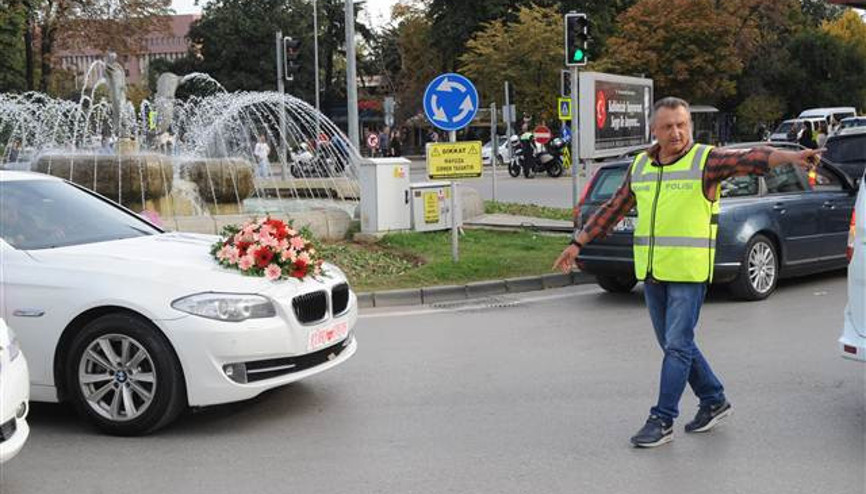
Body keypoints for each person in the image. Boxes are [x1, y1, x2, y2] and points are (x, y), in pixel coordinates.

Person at [553, 97, 823, 448]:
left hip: (689, 273)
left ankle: (662, 419)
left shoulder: (705, 161)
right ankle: (713, 399)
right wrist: (577, 243)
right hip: (652, 273)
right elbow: (612, 209)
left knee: (677, 346)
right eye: (668, 126)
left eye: (682, 125)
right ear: (654, 130)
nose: (676, 132)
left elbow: (752, 158)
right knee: (674, 344)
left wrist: (792, 156)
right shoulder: (641, 166)